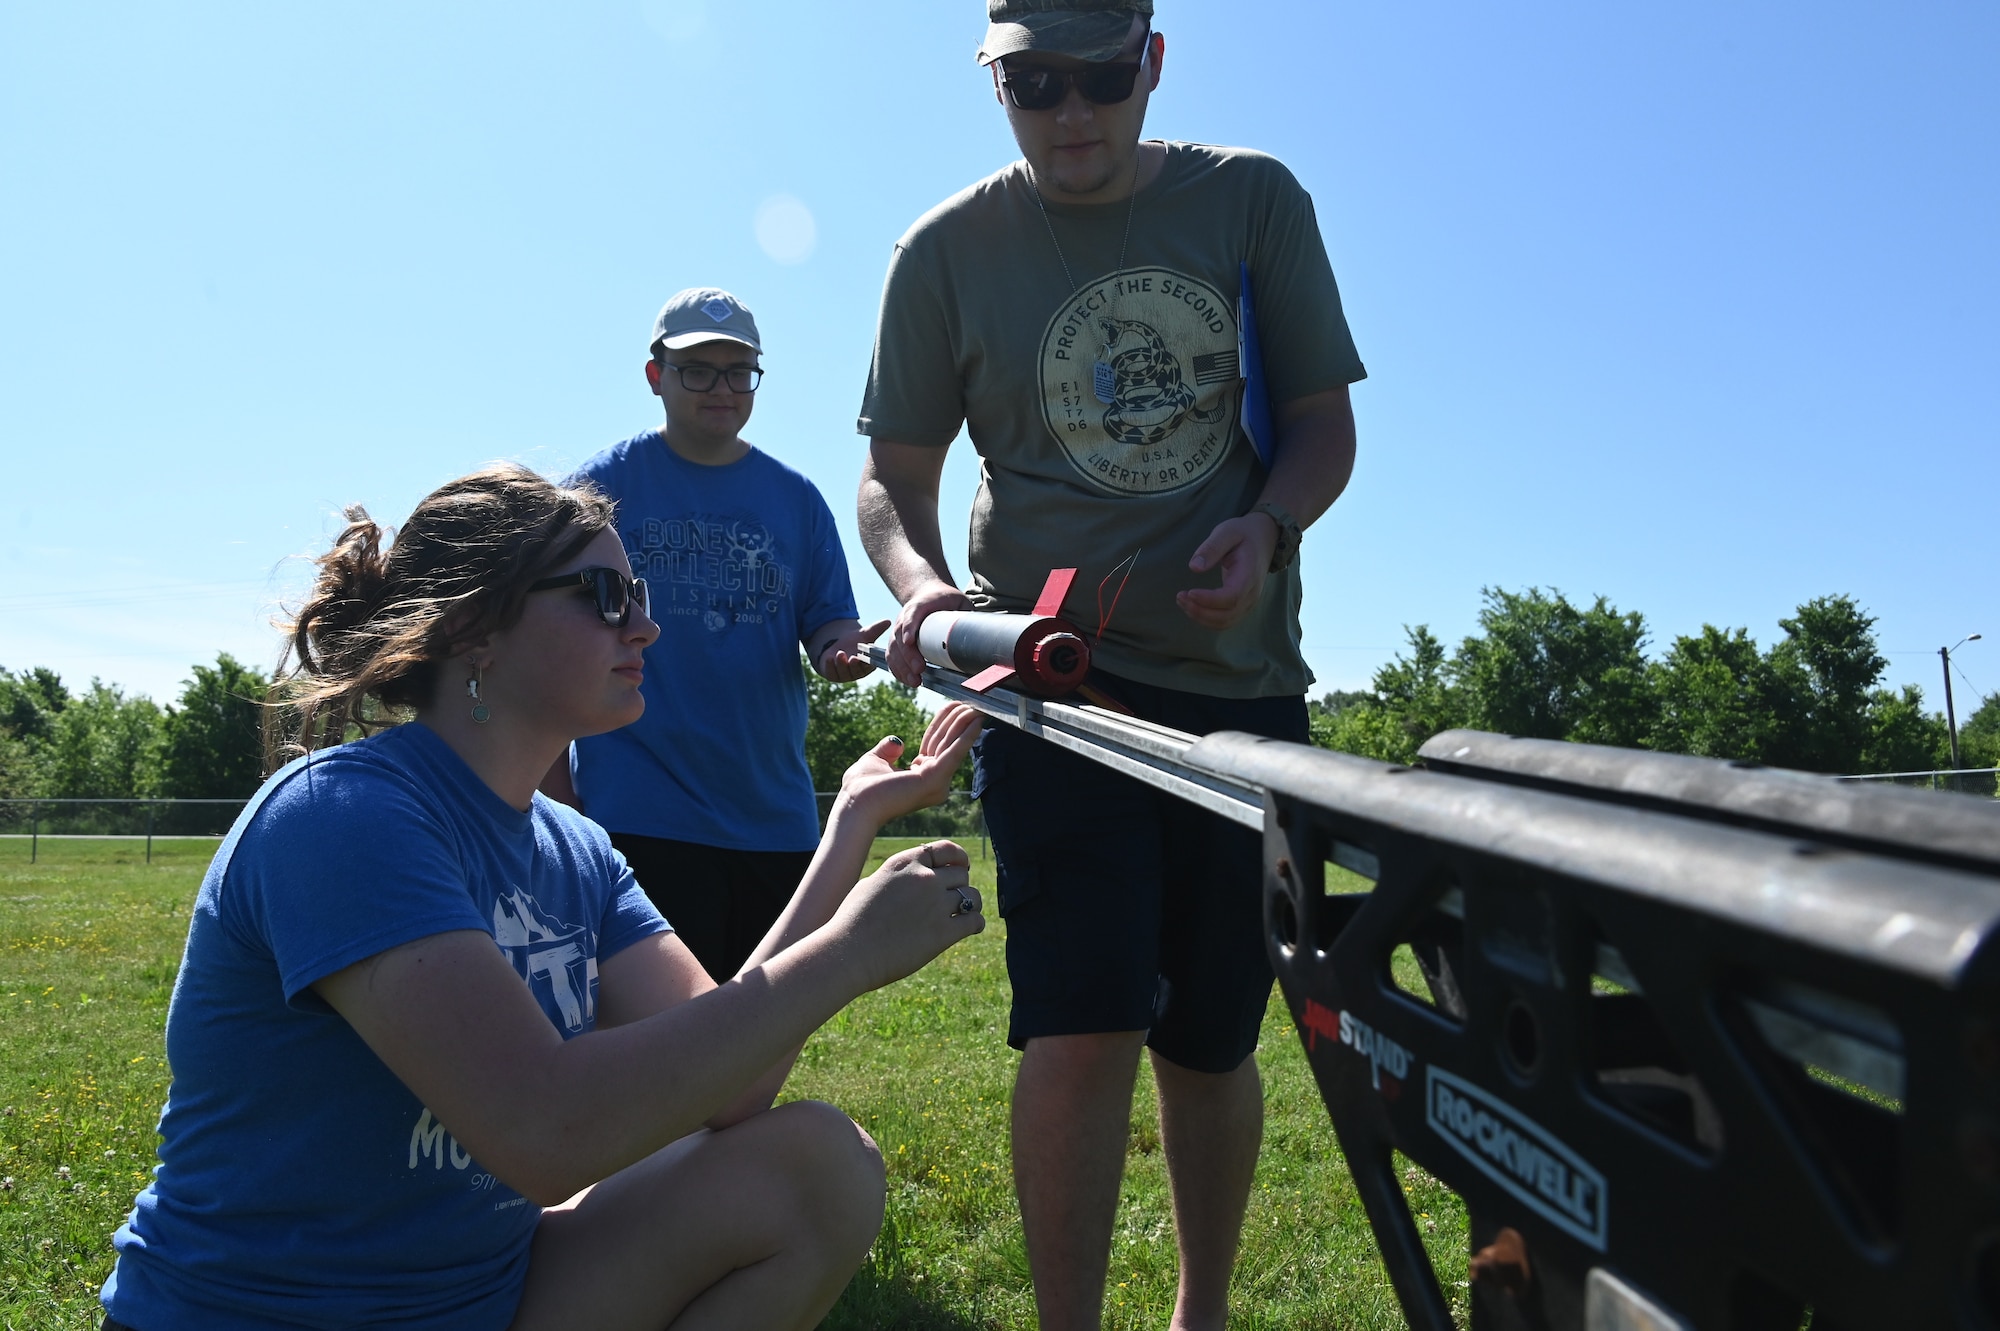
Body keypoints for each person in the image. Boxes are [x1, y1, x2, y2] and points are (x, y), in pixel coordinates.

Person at [100, 464, 984, 1331]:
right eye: (605, 595)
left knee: (817, 1168)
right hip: (267, 1311)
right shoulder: (346, 815)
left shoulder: (578, 849)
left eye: (638, 592)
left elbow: (733, 1078)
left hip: (481, 1295)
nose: (646, 626)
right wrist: (849, 952)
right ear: (477, 628)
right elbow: (545, 1131)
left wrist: (848, 828)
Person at [854, 2, 1365, 1327]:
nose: (1068, 111)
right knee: (1079, 1019)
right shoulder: (945, 251)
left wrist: (1268, 522)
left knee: (1211, 1035)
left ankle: (1200, 1310)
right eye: (1033, 83)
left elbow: (1320, 422)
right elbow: (889, 477)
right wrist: (926, 594)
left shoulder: (1251, 201)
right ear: (997, 84)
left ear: (1151, 61)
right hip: (1055, 685)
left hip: (1241, 691)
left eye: (1095, 76)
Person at [546, 287, 888, 985]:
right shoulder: (599, 489)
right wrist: (561, 801)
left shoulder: (795, 499)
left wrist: (842, 651)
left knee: (754, 1039)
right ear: (656, 376)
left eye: (738, 370)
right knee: (656, 1049)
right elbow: (546, 641)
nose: (721, 388)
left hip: (775, 821)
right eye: (698, 369)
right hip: (639, 816)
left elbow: (828, 622)